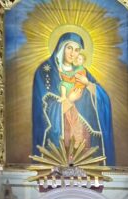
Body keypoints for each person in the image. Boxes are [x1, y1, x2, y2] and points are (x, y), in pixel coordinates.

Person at [32, 32, 115, 166]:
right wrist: (69, 100)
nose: (73, 54)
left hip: (82, 134)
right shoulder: (45, 71)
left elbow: (104, 99)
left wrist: (88, 84)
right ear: (61, 47)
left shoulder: (83, 72)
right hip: (59, 133)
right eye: (69, 48)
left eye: (77, 50)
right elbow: (42, 111)